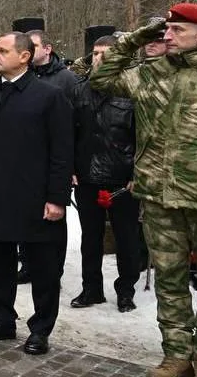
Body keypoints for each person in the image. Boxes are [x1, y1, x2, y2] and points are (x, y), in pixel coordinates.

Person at [90, 4, 197, 377]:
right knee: (170, 281)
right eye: (167, 29)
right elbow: (101, 77)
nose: (168, 35)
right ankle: (177, 355)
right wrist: (140, 36)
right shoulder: (152, 73)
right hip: (159, 197)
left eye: (178, 29)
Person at [0, 31, 73, 357]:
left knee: (43, 269)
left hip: (37, 200)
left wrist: (56, 197)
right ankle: (2, 319)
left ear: (24, 56)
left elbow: (62, 152)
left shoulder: (49, 97)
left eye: (2, 50)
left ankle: (40, 329)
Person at [70, 34, 141, 313]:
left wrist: (137, 173)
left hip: (123, 179)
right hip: (87, 175)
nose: (98, 58)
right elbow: (71, 133)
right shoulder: (80, 90)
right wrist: (71, 168)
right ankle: (91, 289)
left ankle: (126, 291)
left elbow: (142, 136)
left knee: (126, 239)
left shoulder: (132, 91)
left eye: (105, 54)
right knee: (90, 238)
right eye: (95, 53)